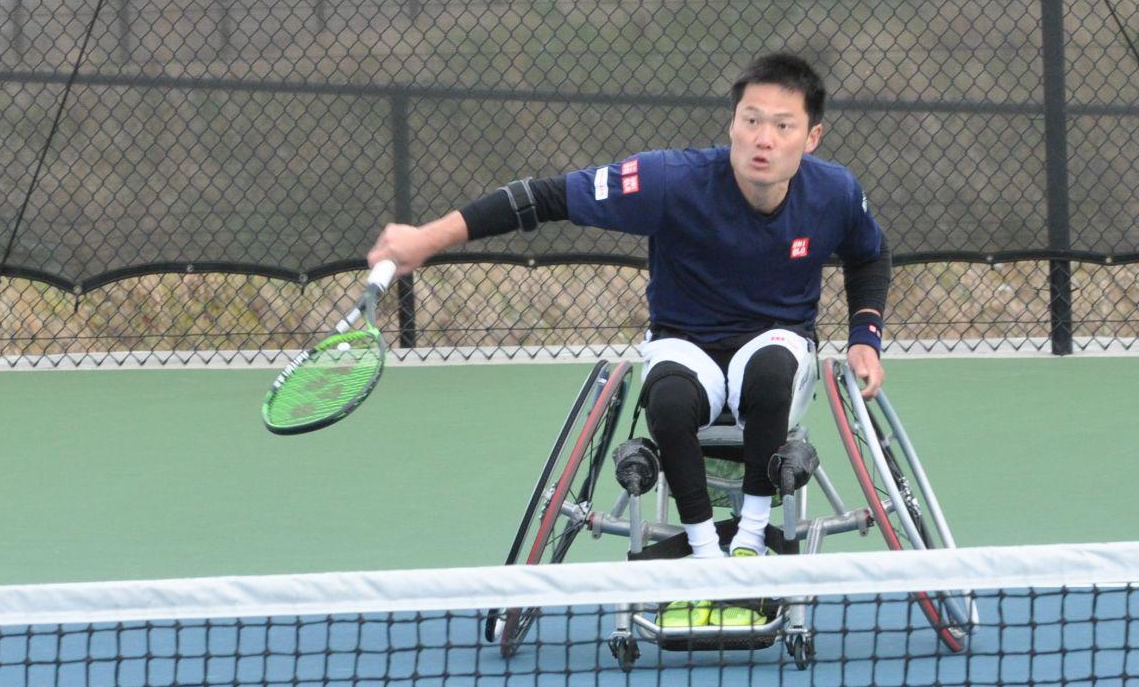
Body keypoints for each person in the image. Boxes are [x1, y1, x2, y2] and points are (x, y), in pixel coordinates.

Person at [367, 53, 891, 628]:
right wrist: (426, 238)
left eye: (783, 125)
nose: (762, 138)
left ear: (811, 136)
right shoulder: (670, 180)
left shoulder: (835, 192)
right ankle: (704, 556)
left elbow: (869, 255)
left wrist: (865, 335)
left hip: (778, 342)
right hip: (683, 341)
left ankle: (749, 543)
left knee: (768, 377)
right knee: (666, 403)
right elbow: (546, 197)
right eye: (750, 119)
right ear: (732, 123)